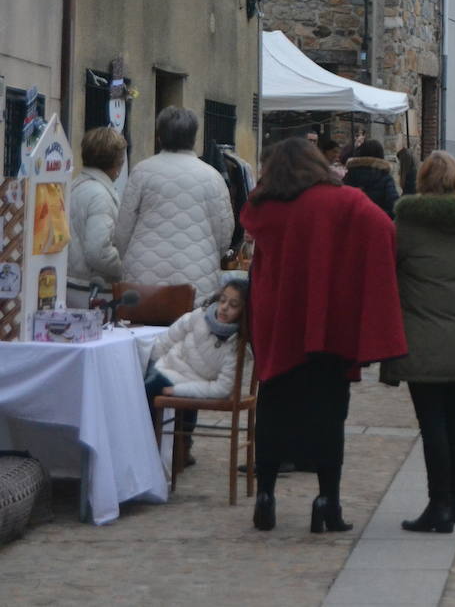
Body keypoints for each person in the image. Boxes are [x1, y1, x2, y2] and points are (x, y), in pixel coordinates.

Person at [241, 137, 406, 534]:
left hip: (278, 319)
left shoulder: (265, 205)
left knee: (273, 407)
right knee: (329, 413)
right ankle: (325, 501)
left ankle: (265, 498)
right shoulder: (344, 201)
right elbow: (385, 227)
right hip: (326, 321)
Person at [380, 151, 455, 533]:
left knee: (432, 424)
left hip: (423, 335)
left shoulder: (407, 224)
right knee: (454, 418)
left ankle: (438, 505)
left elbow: (389, 271)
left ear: (421, 180)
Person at [113, 107, 234, 304]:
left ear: (159, 136)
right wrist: (209, 254)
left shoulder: (142, 172)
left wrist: (130, 258)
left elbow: (123, 230)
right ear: (194, 137)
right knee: (190, 331)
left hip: (143, 274)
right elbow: (224, 233)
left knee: (141, 330)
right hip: (197, 275)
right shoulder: (212, 177)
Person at [145, 280, 250, 462]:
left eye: (233, 305)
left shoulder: (237, 345)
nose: (224, 308)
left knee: (158, 388)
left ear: (244, 311)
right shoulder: (199, 316)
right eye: (222, 300)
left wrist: (178, 390)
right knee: (145, 382)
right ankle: (161, 447)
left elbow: (222, 389)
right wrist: (153, 362)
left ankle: (167, 450)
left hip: (193, 383)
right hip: (169, 368)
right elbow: (168, 339)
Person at [67, 127, 127, 307]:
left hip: (72, 284)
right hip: (90, 289)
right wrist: (125, 265)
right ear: (117, 161)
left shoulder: (75, 185)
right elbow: (98, 252)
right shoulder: (101, 195)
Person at [343, 139, 400, 217]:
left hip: (352, 223)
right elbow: (394, 206)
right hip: (378, 223)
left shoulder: (349, 175)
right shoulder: (384, 177)